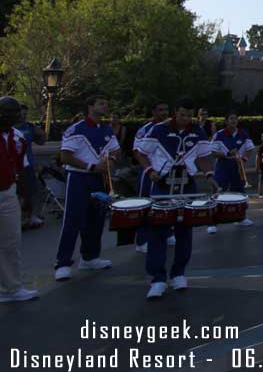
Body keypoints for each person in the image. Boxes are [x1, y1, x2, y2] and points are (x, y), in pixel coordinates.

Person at [133, 97, 217, 298]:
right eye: (182, 115)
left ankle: (179, 273)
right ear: (175, 113)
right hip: (162, 183)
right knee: (159, 229)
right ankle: (157, 278)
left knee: (185, 229)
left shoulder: (197, 130)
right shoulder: (159, 130)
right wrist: (150, 170)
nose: (185, 119)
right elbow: (140, 152)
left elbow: (203, 156)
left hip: (186, 183)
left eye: (189, 115)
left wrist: (209, 176)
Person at [54, 95, 120, 281]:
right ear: (90, 107)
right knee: (73, 219)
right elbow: (65, 156)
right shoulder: (76, 129)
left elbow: (115, 149)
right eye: (101, 103)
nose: (106, 106)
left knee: (96, 218)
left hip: (99, 179)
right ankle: (62, 263)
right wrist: (90, 166)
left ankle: (90, 257)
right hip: (79, 178)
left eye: (106, 103)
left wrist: (111, 160)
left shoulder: (106, 128)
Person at [0, 96, 38, 302]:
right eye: (7, 112)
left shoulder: (18, 138)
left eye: (14, 113)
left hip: (7, 193)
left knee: (10, 242)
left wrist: (25, 197)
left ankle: (11, 288)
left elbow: (23, 168)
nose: (13, 116)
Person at [207, 110, 255, 232]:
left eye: (235, 118)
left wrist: (243, 160)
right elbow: (212, 152)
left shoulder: (243, 134)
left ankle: (240, 218)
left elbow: (250, 148)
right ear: (226, 121)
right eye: (231, 118)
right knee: (217, 193)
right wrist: (227, 153)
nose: (234, 121)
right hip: (222, 166)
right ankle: (212, 223)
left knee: (239, 192)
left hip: (237, 166)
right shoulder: (219, 135)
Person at [133, 102, 169, 253]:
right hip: (149, 172)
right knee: (147, 205)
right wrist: (148, 169)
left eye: (166, 110)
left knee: (167, 204)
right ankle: (142, 240)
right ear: (153, 111)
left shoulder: (170, 128)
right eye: (160, 110)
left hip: (166, 172)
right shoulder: (146, 129)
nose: (164, 113)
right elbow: (137, 151)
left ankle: (167, 233)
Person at [13, 105, 44, 230]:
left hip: (28, 165)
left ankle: (31, 216)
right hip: (12, 166)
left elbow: (41, 141)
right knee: (15, 193)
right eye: (21, 113)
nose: (23, 116)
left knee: (30, 192)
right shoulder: (8, 128)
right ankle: (16, 217)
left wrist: (41, 132)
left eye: (25, 113)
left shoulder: (29, 127)